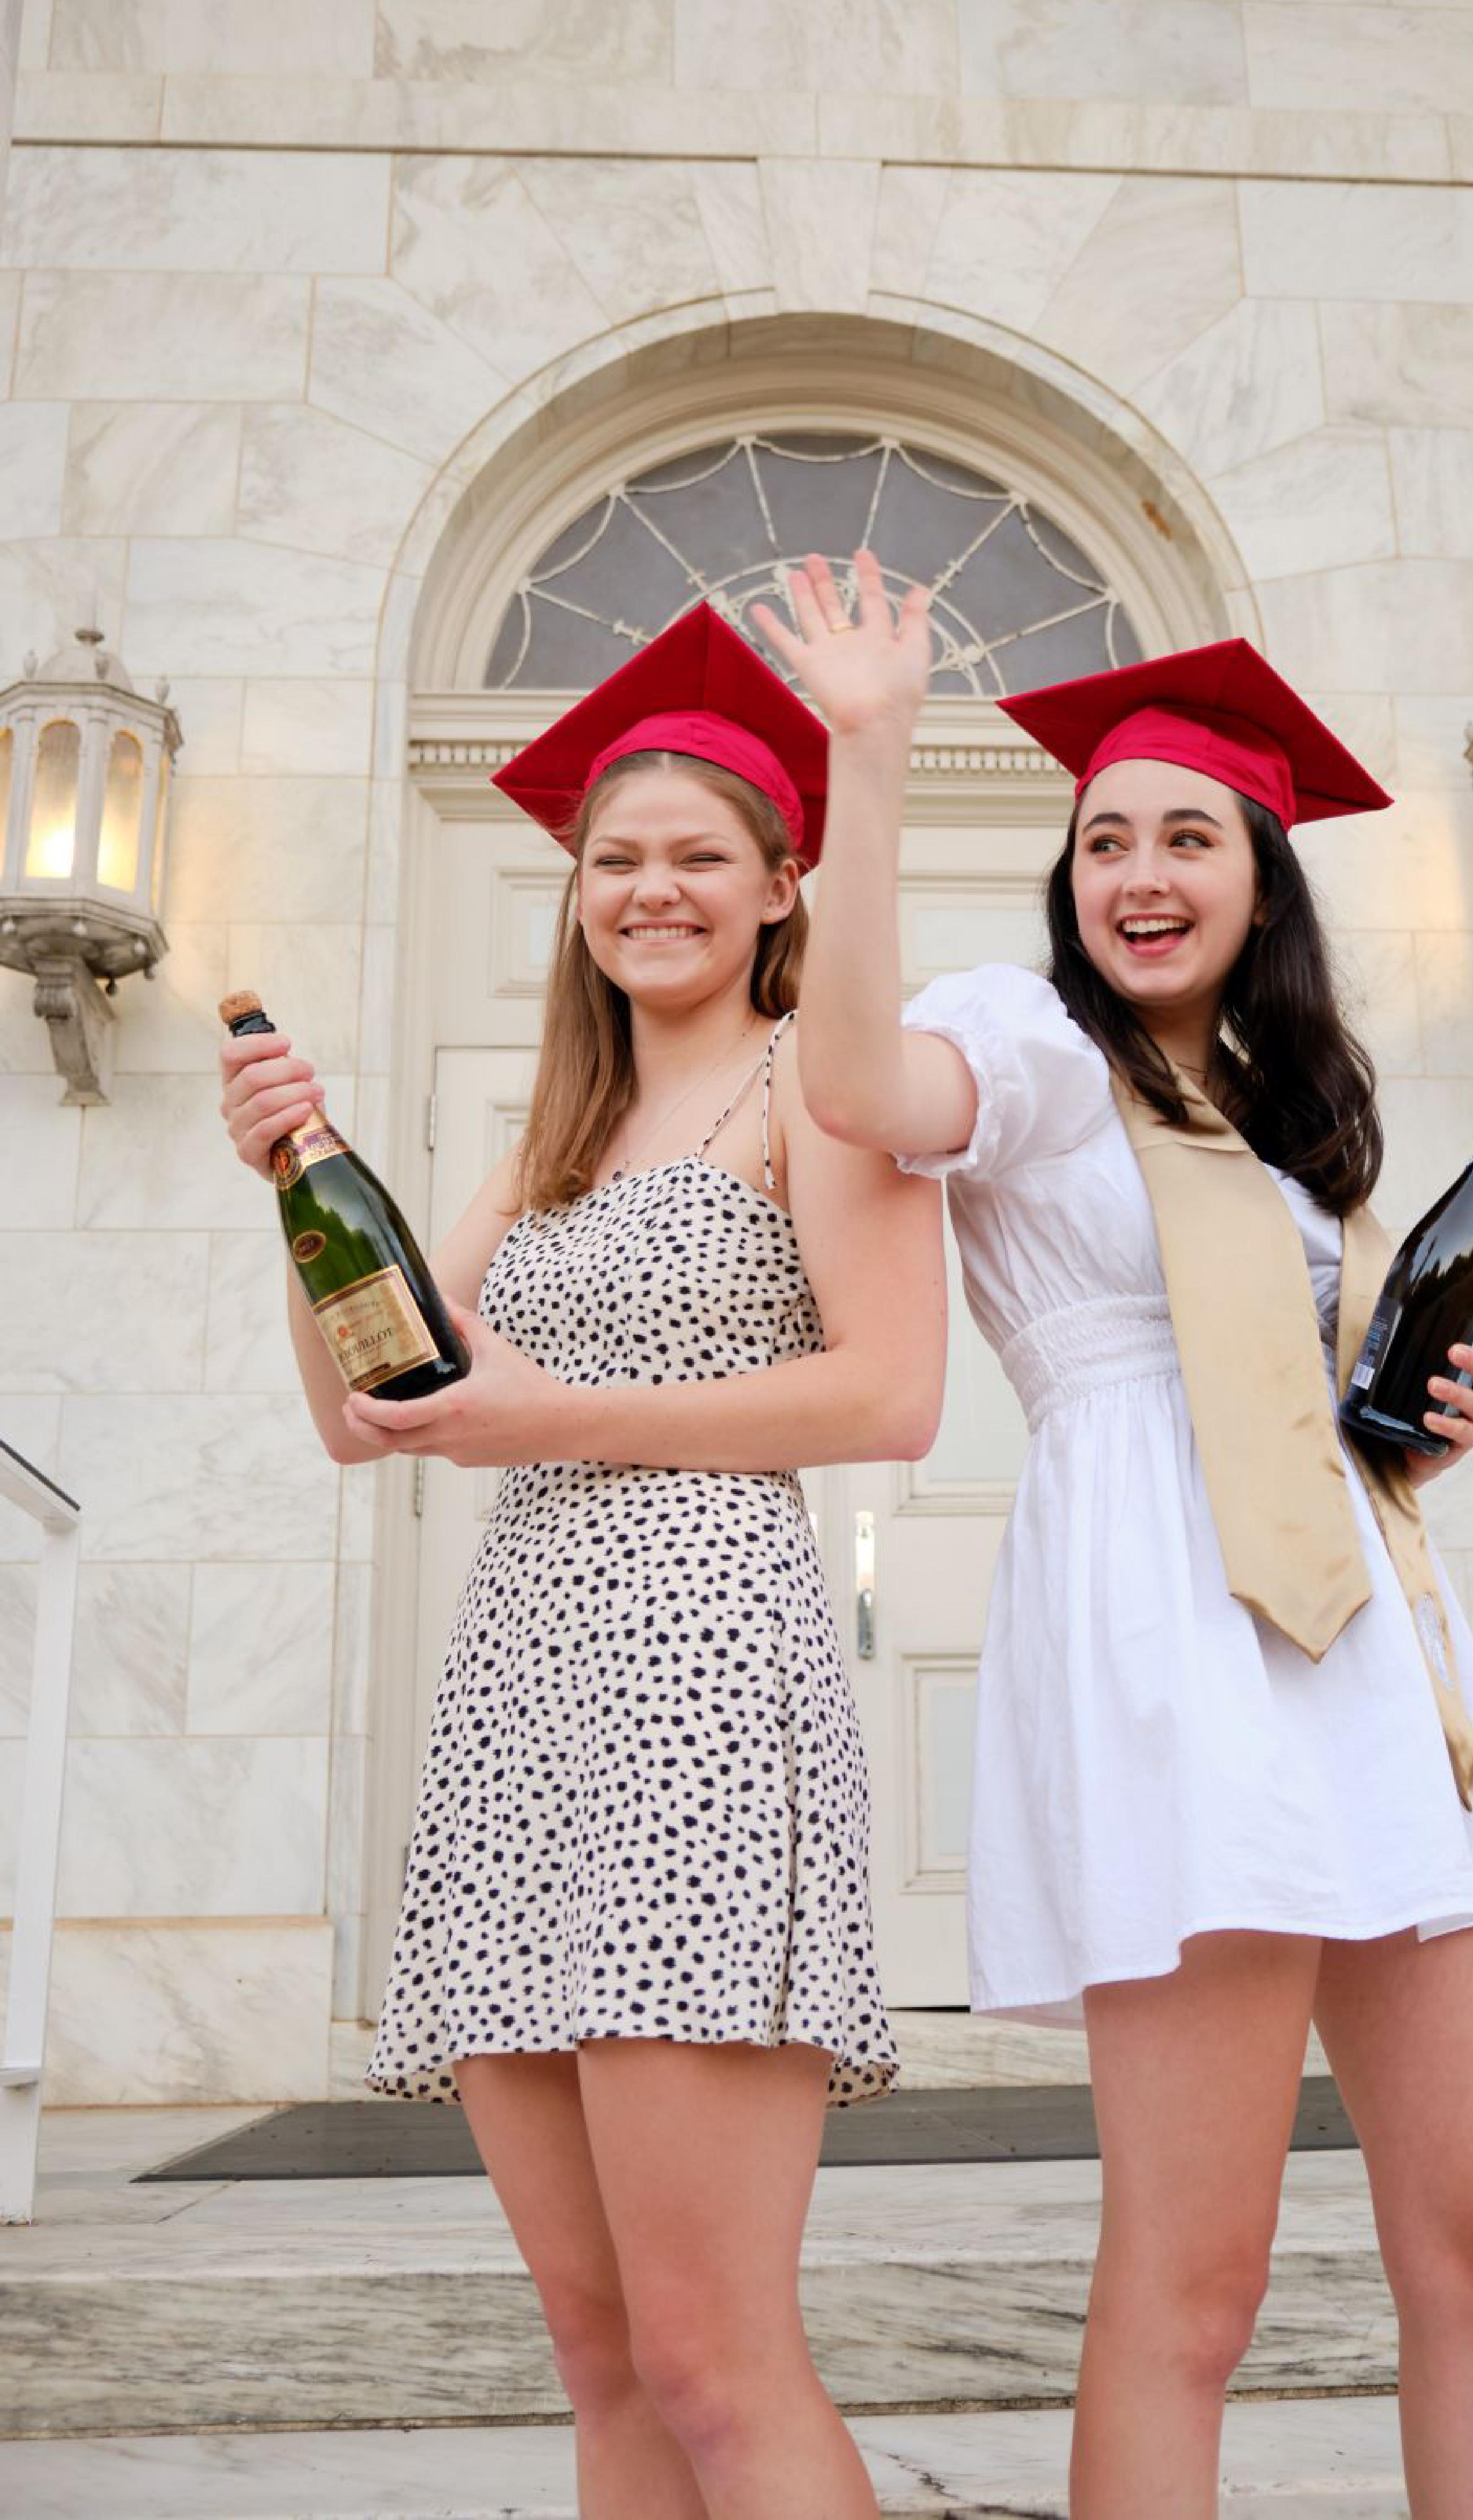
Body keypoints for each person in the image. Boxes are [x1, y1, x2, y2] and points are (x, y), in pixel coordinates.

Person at [755, 550, 1473, 2520]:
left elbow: (1314, 1399)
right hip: (1174, 1654)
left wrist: (1418, 1436)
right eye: (1105, 834)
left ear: (1261, 879)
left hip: (1382, 1658)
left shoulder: (1294, 1124)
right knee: (1194, 2283)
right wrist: (867, 757)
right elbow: (859, 1081)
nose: (1139, 868)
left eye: (1187, 836)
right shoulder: (1034, 1051)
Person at [217, 603, 945, 2520]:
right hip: (520, 1710)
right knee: (601, 2350)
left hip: (701, 1692)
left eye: (701, 856)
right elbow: (369, 1410)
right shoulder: (553, 1137)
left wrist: (559, 1419)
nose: (653, 891)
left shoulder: (825, 1090)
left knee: (716, 2355)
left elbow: (889, 1397)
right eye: (615, 862)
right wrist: (299, 1196)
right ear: (572, 899)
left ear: (785, 889)